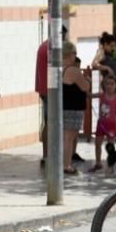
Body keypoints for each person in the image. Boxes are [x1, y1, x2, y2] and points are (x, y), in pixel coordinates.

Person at [36, 24, 72, 167]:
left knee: (48, 123)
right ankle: (50, 156)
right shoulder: (52, 48)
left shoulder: (44, 46)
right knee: (53, 124)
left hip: (45, 90)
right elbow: (59, 68)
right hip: (51, 91)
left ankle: (47, 155)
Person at [61, 41, 90, 176]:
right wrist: (87, 78)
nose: (75, 56)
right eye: (74, 53)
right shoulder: (72, 69)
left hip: (65, 107)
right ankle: (66, 165)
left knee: (66, 137)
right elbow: (85, 86)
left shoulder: (60, 68)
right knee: (69, 138)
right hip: (73, 108)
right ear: (70, 54)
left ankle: (64, 164)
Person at [91, 75, 116, 173]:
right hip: (101, 124)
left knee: (111, 147)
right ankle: (98, 163)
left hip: (111, 125)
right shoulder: (101, 95)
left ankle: (110, 165)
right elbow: (89, 95)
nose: (109, 86)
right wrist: (88, 82)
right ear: (104, 85)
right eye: (107, 84)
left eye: (112, 84)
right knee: (97, 144)